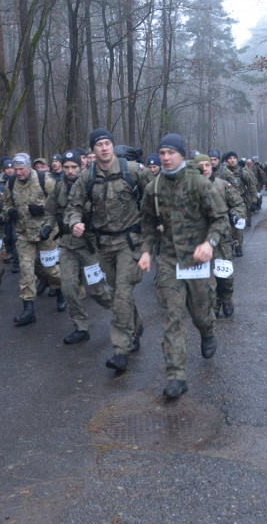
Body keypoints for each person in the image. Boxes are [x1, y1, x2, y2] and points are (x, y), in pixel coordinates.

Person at [138, 134, 229, 400]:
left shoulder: (200, 184)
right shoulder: (153, 188)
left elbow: (220, 219)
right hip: (168, 260)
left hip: (197, 260)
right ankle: (176, 375)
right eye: (162, 152)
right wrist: (145, 251)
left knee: (200, 313)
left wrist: (210, 244)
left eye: (171, 153)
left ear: (182, 154)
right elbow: (147, 225)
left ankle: (208, 331)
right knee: (173, 316)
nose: (165, 158)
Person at [65, 128, 148, 373]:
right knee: (118, 292)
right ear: (93, 150)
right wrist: (74, 222)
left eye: (107, 143)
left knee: (122, 293)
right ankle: (136, 323)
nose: (103, 147)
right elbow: (73, 205)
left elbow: (155, 197)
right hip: (104, 245)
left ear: (113, 145)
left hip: (129, 243)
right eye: (98, 144)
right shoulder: (86, 177)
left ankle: (121, 350)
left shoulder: (132, 170)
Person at [46, 148, 113, 344]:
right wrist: (47, 227)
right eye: (66, 167)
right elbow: (50, 211)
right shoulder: (59, 187)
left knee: (98, 290)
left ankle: (128, 319)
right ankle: (80, 327)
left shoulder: (92, 185)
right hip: (67, 244)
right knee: (68, 288)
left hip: (89, 245)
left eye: (74, 166)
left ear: (81, 165)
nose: (70, 171)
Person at [3, 153, 62, 325]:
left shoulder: (45, 180)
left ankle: (60, 292)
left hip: (46, 233)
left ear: (29, 167)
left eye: (21, 169)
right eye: (16, 169)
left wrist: (42, 209)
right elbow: (6, 204)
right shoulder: (11, 183)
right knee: (26, 270)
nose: (18, 172)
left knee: (51, 269)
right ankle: (28, 310)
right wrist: (9, 212)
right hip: (24, 235)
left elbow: (59, 202)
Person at [195, 154, 245, 318]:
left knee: (225, 277)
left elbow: (239, 204)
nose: (204, 169)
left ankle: (226, 297)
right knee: (207, 278)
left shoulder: (223, 186)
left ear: (212, 167)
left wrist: (235, 215)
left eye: (207, 165)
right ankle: (214, 306)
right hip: (200, 241)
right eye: (200, 165)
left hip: (222, 239)